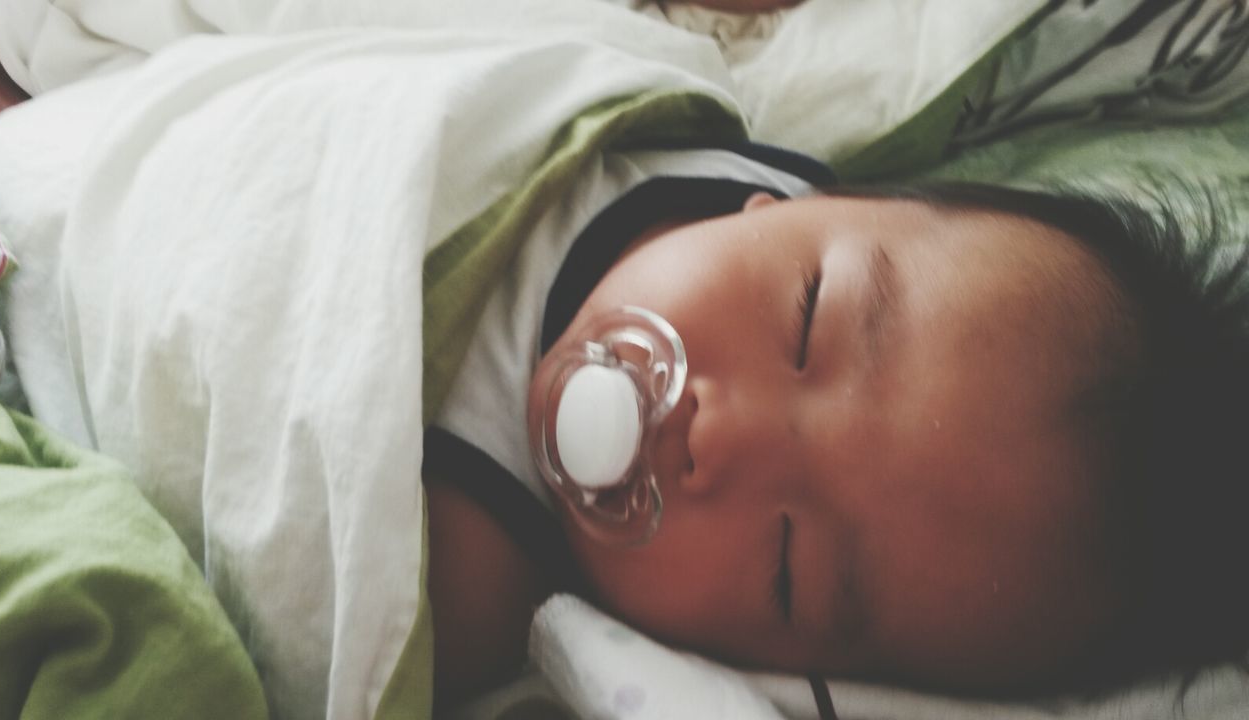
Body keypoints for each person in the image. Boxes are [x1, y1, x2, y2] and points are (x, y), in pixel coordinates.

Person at [424, 143, 1249, 704]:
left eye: (789, 570)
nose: (719, 434)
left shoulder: (461, 587)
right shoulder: (734, 158)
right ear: (807, 203)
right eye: (808, 318)